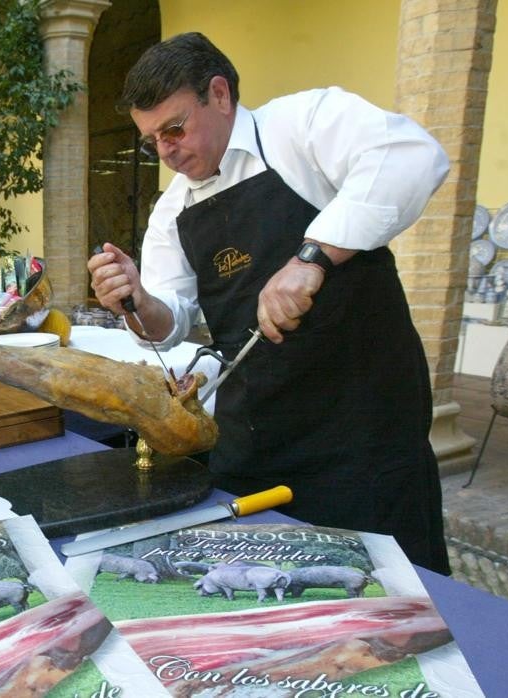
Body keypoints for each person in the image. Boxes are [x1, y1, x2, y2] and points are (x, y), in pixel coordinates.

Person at [88, 32, 451, 574]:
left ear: (219, 94)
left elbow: (415, 157)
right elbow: (168, 324)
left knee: (391, 584)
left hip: (362, 420)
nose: (165, 151)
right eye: (150, 141)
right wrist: (136, 300)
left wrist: (313, 257)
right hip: (258, 431)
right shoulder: (172, 210)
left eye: (174, 128)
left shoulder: (303, 124)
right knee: (268, 579)